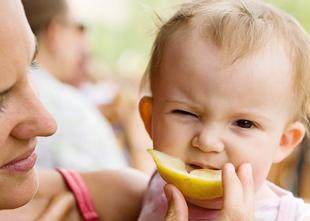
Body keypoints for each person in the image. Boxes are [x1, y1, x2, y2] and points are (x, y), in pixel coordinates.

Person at [137, 0, 310, 220]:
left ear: (284, 141)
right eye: (186, 113)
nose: (208, 142)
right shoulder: (156, 187)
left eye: (244, 123)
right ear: (150, 119)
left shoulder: (292, 216)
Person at [0, 1, 148, 220]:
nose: (48, 123)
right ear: (55, 32)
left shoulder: (118, 194)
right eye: (1, 97)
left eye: (31, 67)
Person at [22, 0, 127, 171]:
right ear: (54, 32)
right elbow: (127, 190)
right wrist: (139, 141)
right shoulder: (73, 109)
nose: (86, 42)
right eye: (80, 28)